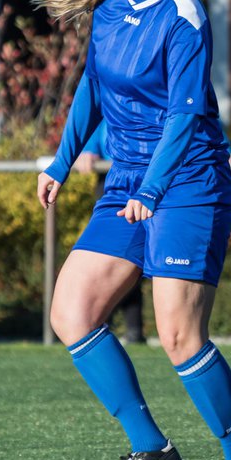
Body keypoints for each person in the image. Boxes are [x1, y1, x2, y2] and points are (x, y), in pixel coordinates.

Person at [35, 0, 231, 460]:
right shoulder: (113, 8)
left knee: (179, 337)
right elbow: (92, 85)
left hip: (187, 184)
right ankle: (152, 450)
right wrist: (61, 162)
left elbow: (185, 114)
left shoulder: (185, 14)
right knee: (72, 313)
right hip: (129, 186)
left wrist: (153, 187)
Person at [72, 122, 146, 346]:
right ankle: (105, 325)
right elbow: (91, 123)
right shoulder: (108, 99)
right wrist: (84, 150)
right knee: (112, 261)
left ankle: (132, 329)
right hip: (113, 182)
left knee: (131, 263)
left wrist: (224, 152)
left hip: (155, 183)